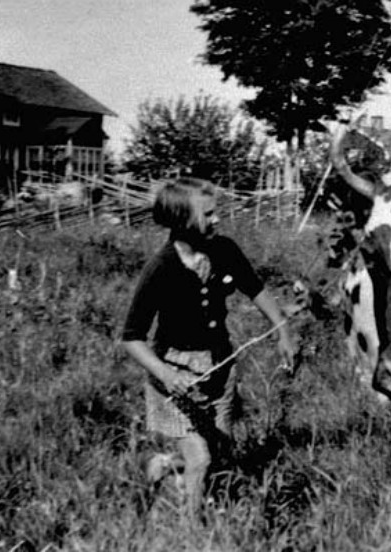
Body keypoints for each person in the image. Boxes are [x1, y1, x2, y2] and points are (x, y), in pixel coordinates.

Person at [121, 177, 297, 518]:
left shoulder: (224, 250)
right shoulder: (161, 268)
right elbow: (132, 337)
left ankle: (161, 467)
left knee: (218, 451)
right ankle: (192, 535)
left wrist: (283, 330)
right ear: (182, 220)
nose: (217, 220)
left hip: (220, 365)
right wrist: (167, 375)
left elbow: (256, 289)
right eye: (209, 214)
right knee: (199, 459)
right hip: (174, 375)